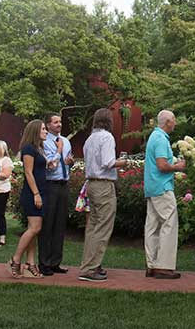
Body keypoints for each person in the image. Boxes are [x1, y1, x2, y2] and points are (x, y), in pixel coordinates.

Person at [78, 109, 126, 282]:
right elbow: (108, 162)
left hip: (91, 183)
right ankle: (90, 269)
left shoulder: (90, 139)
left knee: (93, 226)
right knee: (103, 226)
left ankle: (89, 264)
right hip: (104, 184)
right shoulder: (107, 137)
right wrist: (122, 162)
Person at [143, 110, 187, 280]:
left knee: (152, 225)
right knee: (169, 222)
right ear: (167, 122)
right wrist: (178, 166)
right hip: (162, 187)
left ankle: (152, 264)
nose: (175, 123)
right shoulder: (161, 139)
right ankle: (164, 266)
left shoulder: (154, 137)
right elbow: (162, 165)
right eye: (173, 120)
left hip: (152, 187)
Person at [10, 120, 47, 279]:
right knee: (35, 228)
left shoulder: (39, 148)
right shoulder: (28, 148)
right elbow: (28, 172)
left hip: (40, 191)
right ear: (35, 131)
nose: (46, 131)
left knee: (34, 230)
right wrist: (36, 194)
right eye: (44, 129)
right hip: (32, 193)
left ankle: (31, 263)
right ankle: (16, 259)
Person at [39, 113, 72, 276]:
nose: (59, 124)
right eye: (55, 122)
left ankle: (55, 262)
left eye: (60, 121)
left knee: (60, 225)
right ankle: (44, 262)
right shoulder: (44, 142)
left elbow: (66, 160)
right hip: (50, 185)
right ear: (48, 124)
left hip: (64, 183)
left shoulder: (66, 141)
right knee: (48, 224)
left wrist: (70, 163)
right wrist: (58, 151)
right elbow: (50, 165)